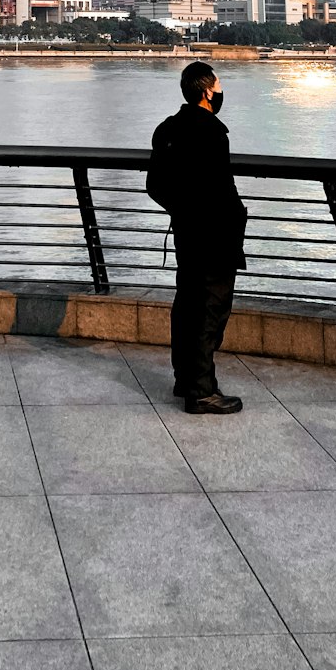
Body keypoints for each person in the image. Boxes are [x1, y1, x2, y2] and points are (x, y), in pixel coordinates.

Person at [146, 60, 247, 414]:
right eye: (217, 86)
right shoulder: (212, 133)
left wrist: (183, 211)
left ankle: (184, 377)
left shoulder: (168, 129)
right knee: (211, 310)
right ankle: (202, 390)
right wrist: (235, 218)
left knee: (187, 304)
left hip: (187, 234)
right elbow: (222, 189)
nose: (220, 92)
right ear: (206, 92)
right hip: (215, 236)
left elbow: (154, 186)